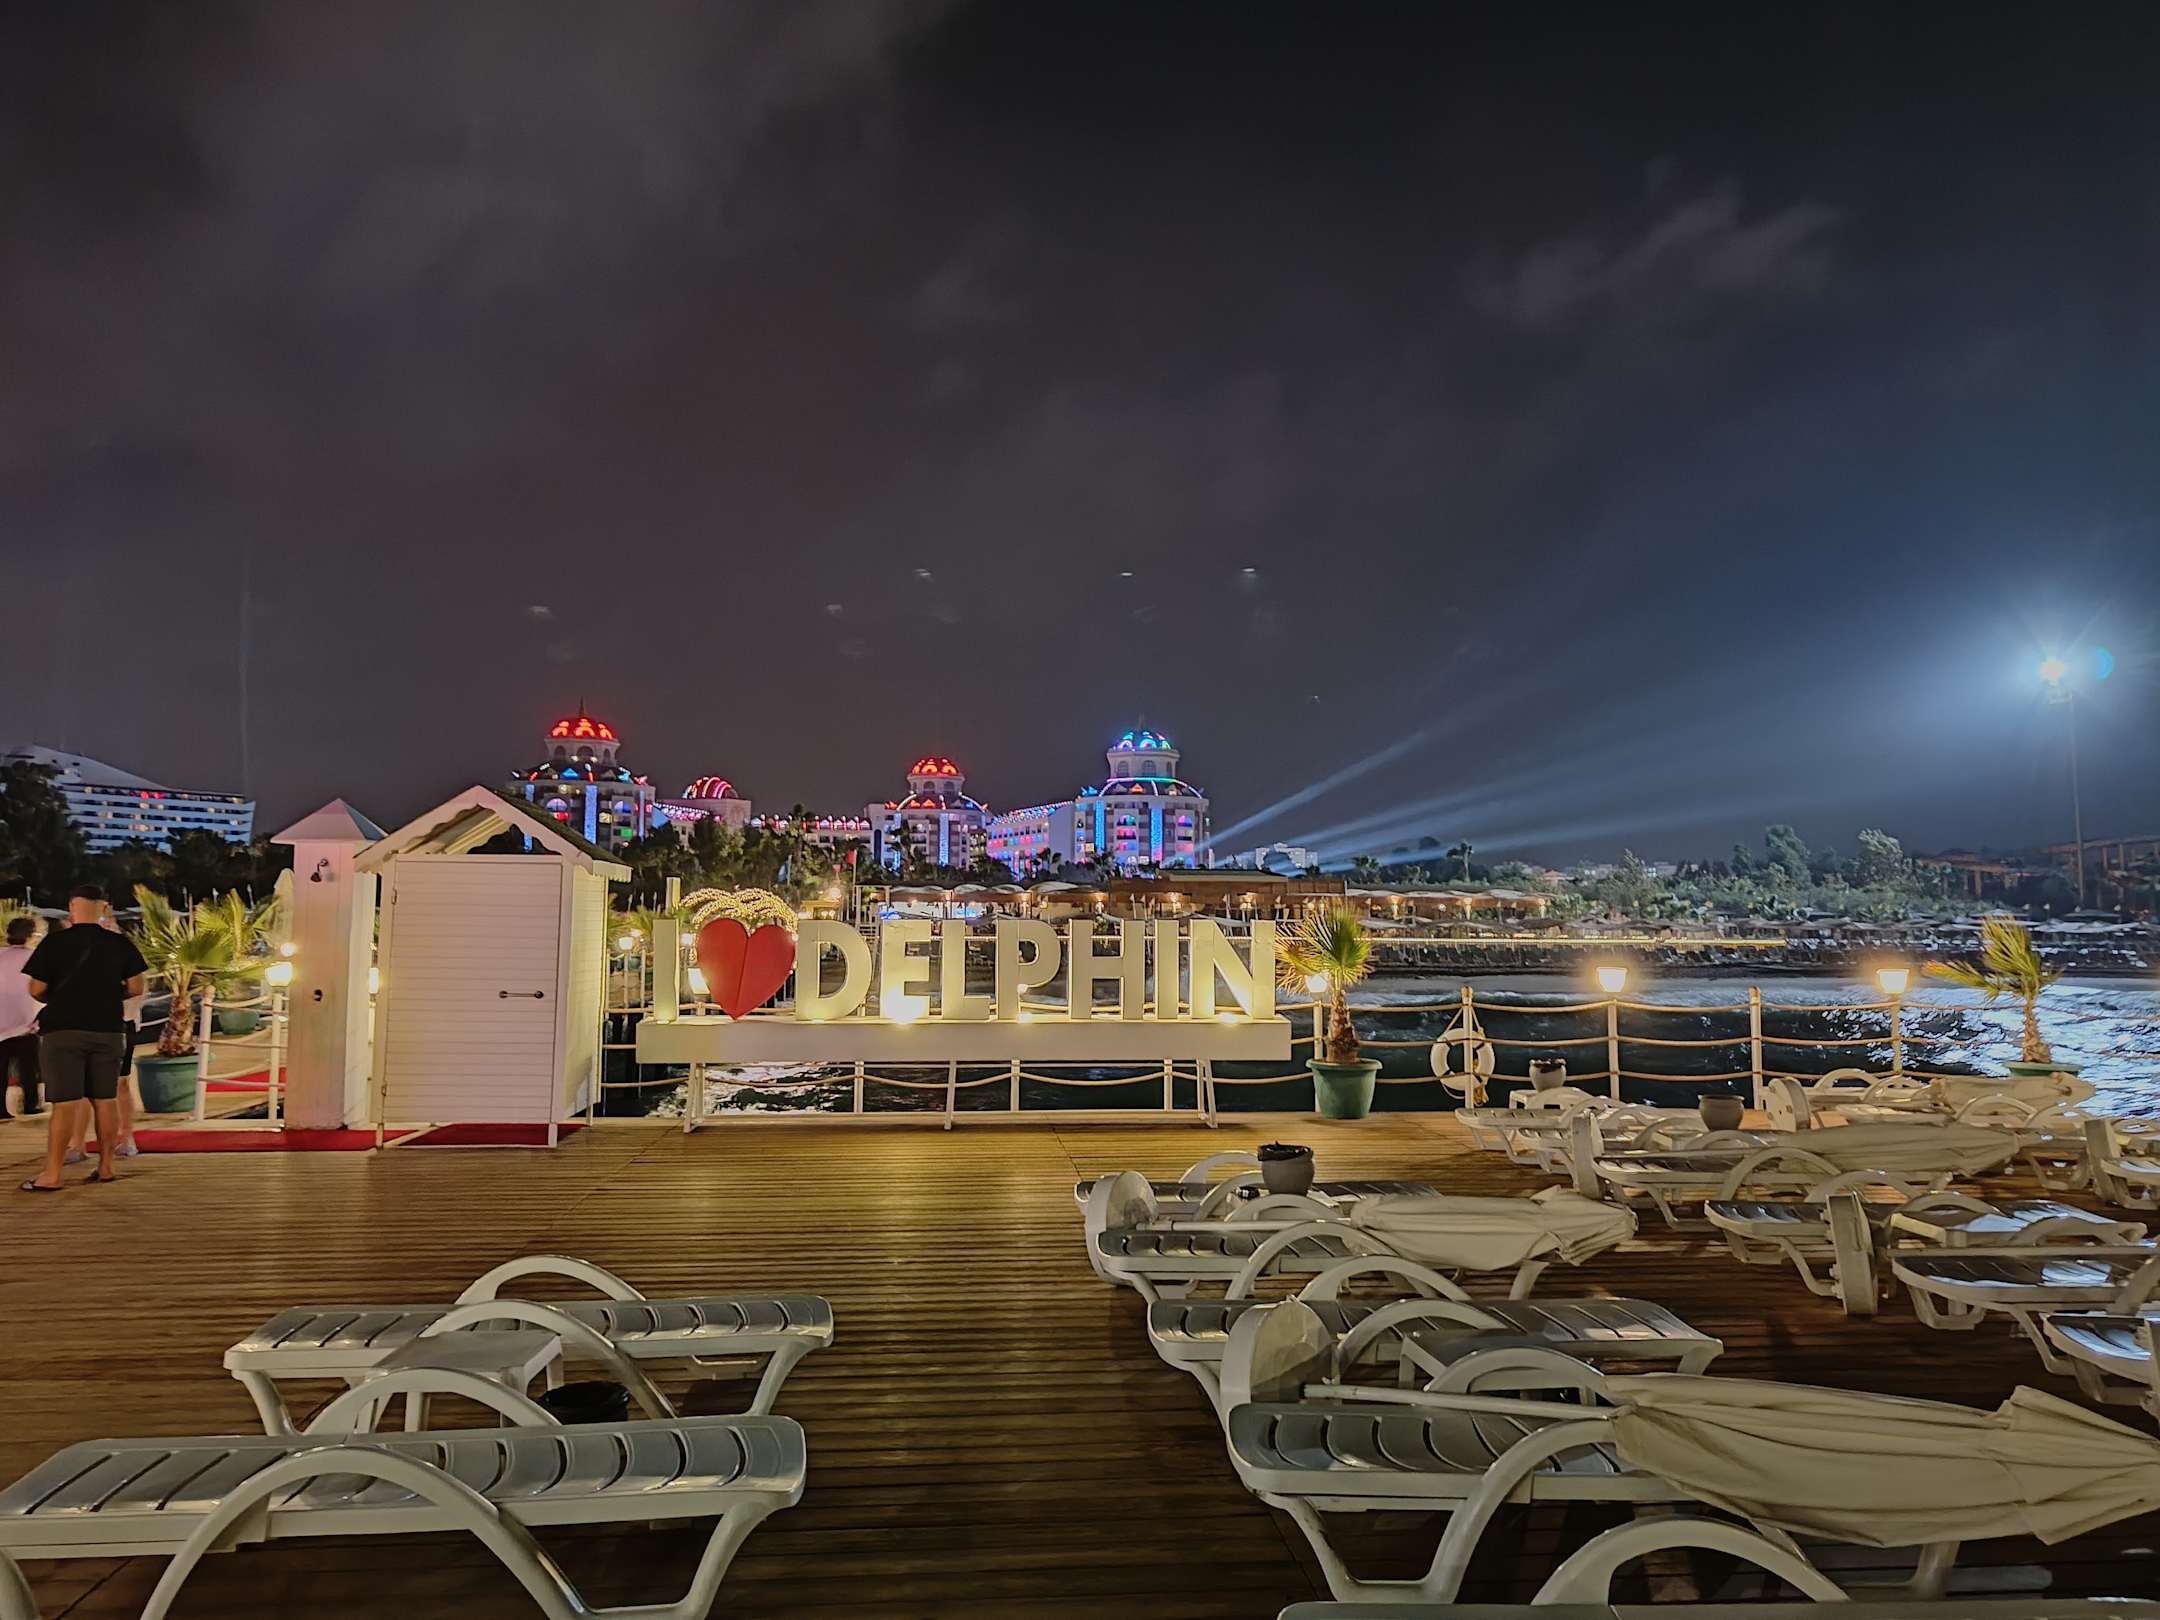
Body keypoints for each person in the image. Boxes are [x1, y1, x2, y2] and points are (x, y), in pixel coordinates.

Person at [20, 885, 147, 1191]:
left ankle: (52, 1175)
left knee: (65, 1103)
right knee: (105, 1099)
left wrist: (60, 997)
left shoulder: (54, 943)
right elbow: (136, 987)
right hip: (108, 1029)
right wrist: (107, 995)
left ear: (72, 907)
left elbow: (36, 989)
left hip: (64, 1029)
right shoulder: (119, 943)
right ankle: (106, 1167)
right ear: (104, 908)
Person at [62, 904, 142, 1160]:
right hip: (85, 1025)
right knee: (82, 1088)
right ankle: (77, 1144)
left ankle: (126, 1138)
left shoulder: (124, 952)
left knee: (119, 1085)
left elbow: (137, 991)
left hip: (119, 1025)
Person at [0, 915, 41, 1119]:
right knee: (28, 1068)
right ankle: (30, 1104)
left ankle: (1, 1108)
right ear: (30, 935)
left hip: (1, 1020)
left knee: (1, 1067)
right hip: (26, 1020)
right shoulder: (34, 957)